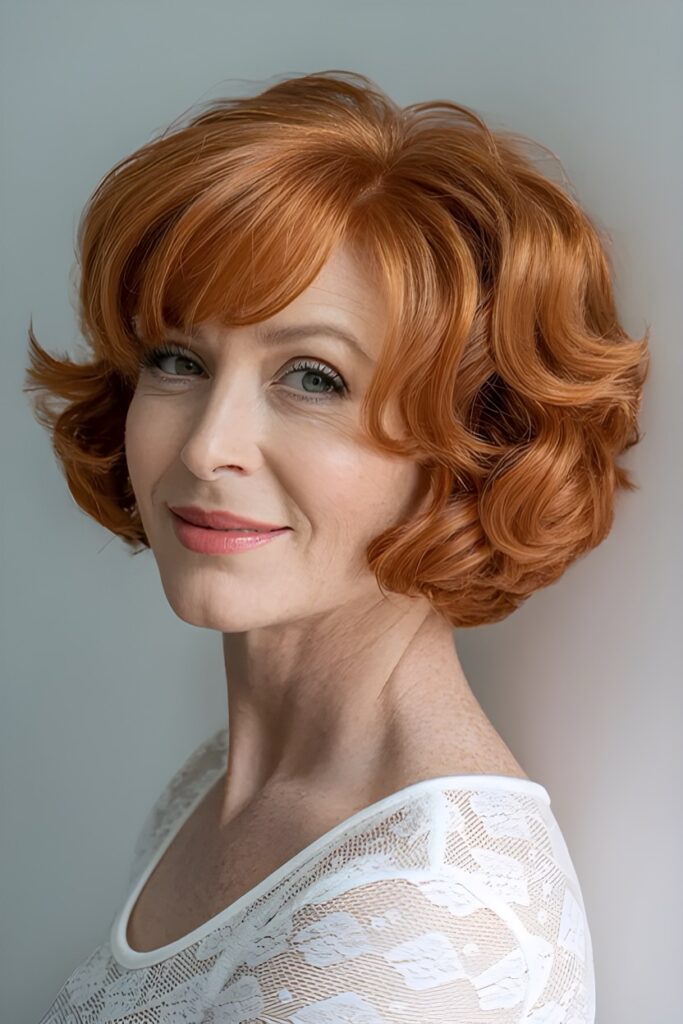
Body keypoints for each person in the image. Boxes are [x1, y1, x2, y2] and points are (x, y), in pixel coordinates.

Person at [26, 69, 649, 1023]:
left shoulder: (424, 924)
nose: (206, 447)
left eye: (312, 378)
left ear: (474, 440)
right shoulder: (217, 784)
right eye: (178, 361)